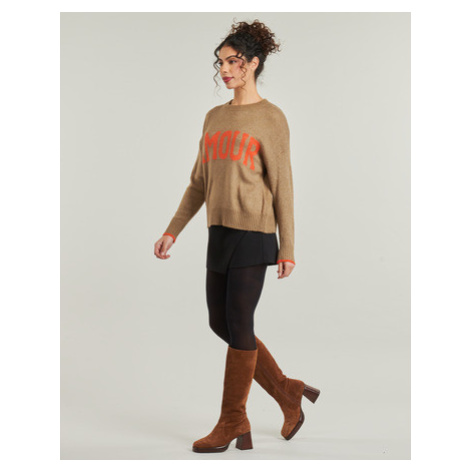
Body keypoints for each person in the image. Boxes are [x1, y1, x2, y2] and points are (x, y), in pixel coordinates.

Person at [154, 19, 320, 453]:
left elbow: (283, 184)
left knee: (240, 322)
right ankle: (286, 390)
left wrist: (288, 247)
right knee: (220, 322)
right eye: (221, 62)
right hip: (220, 231)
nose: (224, 69)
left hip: (255, 232)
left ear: (253, 63)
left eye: (233, 61)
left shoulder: (271, 118)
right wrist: (173, 230)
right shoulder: (214, 117)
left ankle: (232, 420)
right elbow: (198, 182)